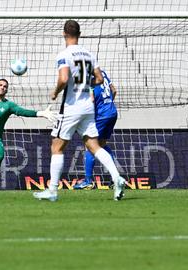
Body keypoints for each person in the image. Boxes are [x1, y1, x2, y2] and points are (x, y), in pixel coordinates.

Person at [33, 20, 126, 201]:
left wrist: (55, 91)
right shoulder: (90, 54)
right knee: (94, 146)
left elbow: (63, 77)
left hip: (71, 107)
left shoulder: (64, 54)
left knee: (57, 146)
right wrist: (83, 85)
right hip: (88, 107)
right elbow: (99, 79)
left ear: (64, 33)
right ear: (80, 33)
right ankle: (117, 178)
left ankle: (52, 190)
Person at [74, 69, 118, 189]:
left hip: (101, 116)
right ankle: (115, 179)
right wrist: (106, 105)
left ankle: (88, 181)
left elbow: (91, 99)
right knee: (102, 144)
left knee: (90, 146)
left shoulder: (87, 78)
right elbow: (114, 90)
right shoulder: (101, 73)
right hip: (112, 112)